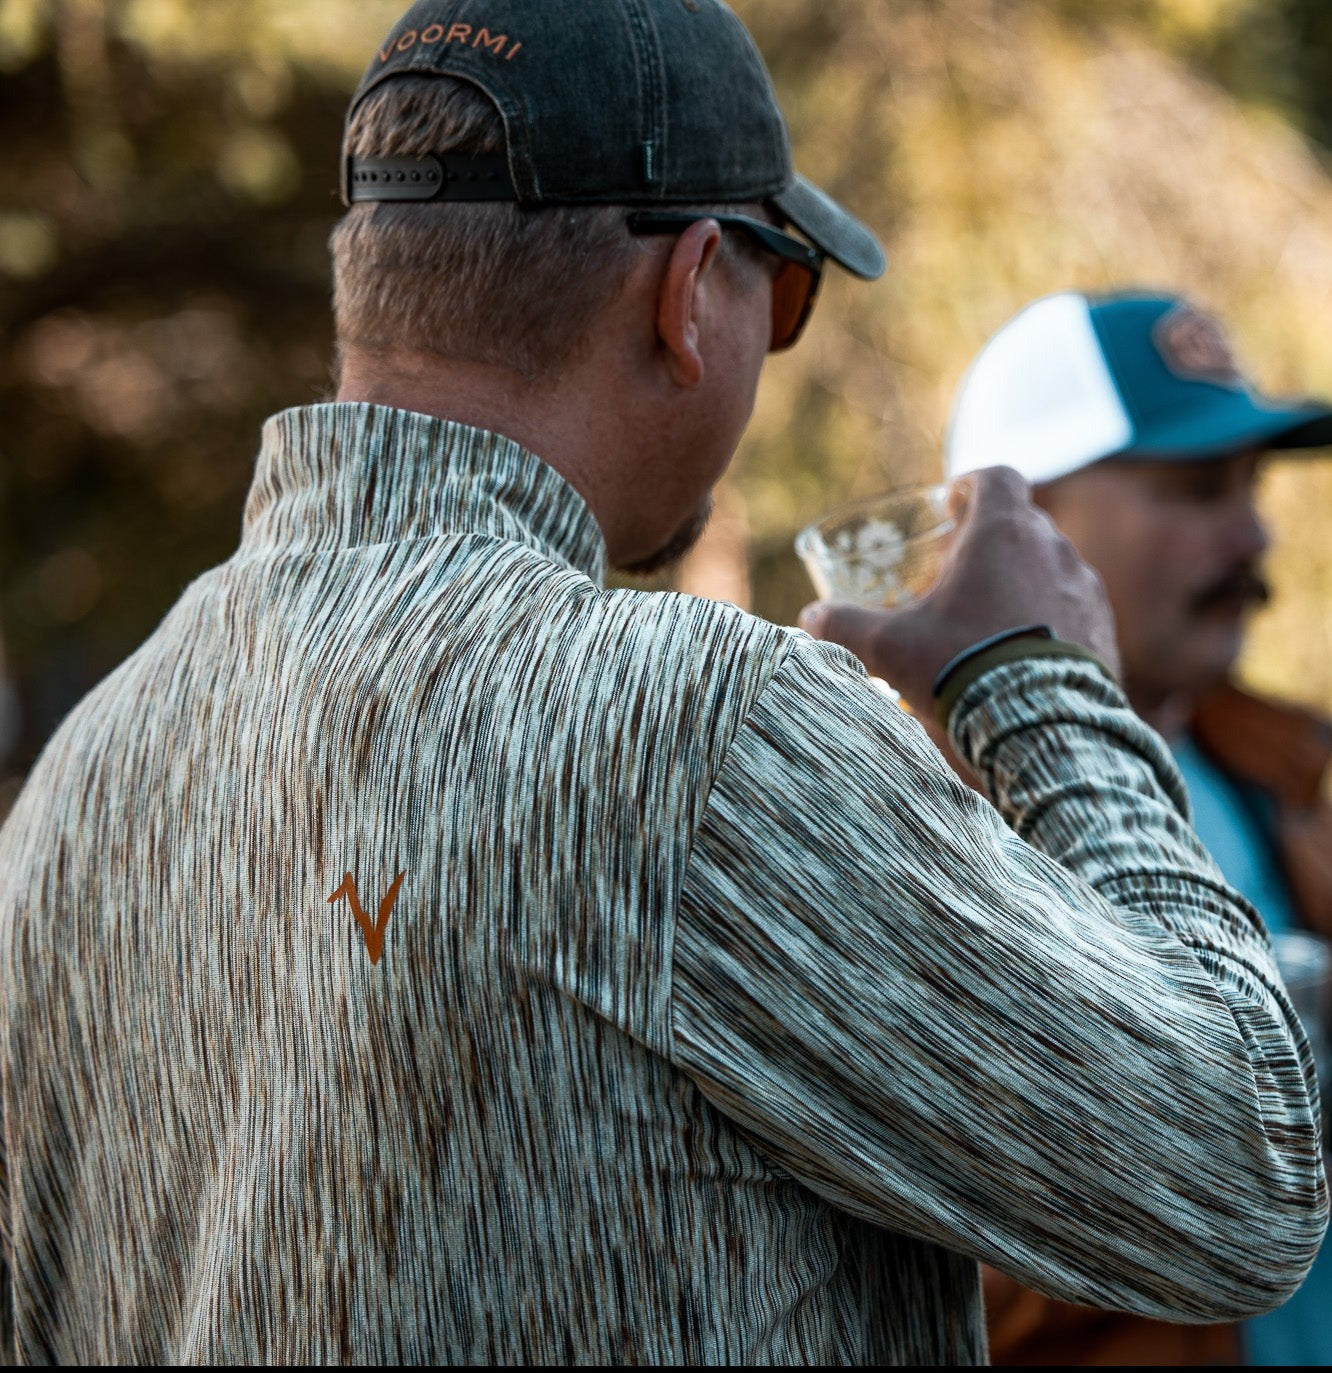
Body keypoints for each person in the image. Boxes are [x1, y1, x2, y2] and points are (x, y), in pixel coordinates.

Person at [0, 5, 1324, 1363]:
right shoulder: (704, 732)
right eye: (787, 294)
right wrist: (1038, 680)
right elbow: (1241, 1178)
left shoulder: (74, 785)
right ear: (689, 293)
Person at [945, 288, 1332, 1366]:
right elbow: (932, 1262)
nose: (1253, 532)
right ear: (1014, 522)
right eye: (1198, 488)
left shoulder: (1278, 768)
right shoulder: (925, 827)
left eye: (1252, 484)